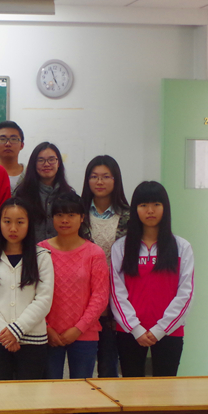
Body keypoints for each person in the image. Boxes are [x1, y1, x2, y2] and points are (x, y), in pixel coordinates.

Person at [110, 181, 194, 378]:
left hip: (169, 331)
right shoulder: (121, 247)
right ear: (135, 209)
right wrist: (135, 329)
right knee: (132, 389)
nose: (150, 210)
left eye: (156, 204)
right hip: (130, 332)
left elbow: (186, 293)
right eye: (143, 205)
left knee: (165, 389)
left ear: (165, 208)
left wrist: (160, 330)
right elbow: (116, 292)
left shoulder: (182, 247)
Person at [0, 198, 53, 380]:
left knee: (30, 393)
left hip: (32, 340)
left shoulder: (42, 257)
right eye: (7, 222)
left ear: (29, 224)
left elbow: (44, 299)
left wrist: (16, 330)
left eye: (20, 222)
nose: (13, 228)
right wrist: (4, 333)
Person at [38, 193, 109, 380]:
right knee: (48, 390)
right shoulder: (40, 251)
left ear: (82, 217)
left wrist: (78, 329)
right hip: (47, 333)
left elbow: (100, 297)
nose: (65, 220)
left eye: (71, 215)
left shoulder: (95, 253)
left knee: (82, 389)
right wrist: (46, 328)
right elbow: (31, 293)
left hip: (85, 334)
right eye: (59, 215)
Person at [79, 155, 130, 378]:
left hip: (118, 298)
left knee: (109, 364)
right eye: (94, 177)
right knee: (81, 365)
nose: (99, 182)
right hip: (83, 296)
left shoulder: (129, 215)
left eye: (106, 177)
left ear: (115, 180)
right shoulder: (77, 213)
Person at [14, 141, 74, 242]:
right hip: (31, 250)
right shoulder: (22, 194)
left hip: (62, 250)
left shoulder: (69, 196)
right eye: (41, 160)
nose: (46, 164)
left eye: (51, 160)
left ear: (59, 163)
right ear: (34, 164)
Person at [0, 121, 26, 194]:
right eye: (2, 139)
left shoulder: (31, 174)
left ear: (22, 145)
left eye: (13, 139)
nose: (8, 144)